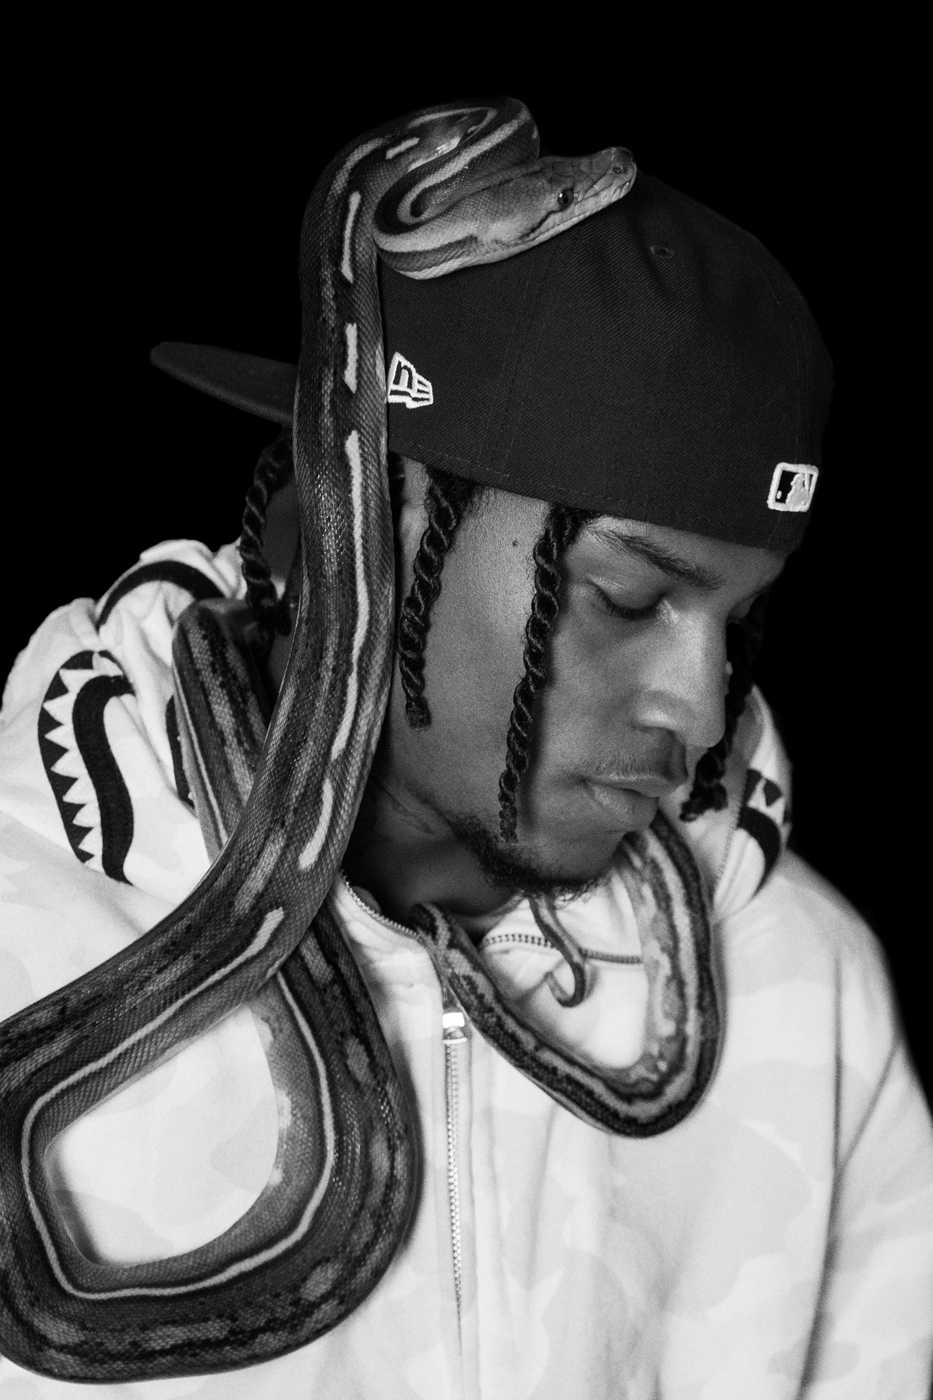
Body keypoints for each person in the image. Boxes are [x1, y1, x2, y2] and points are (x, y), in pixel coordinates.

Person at [1, 134, 931, 1400]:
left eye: (741, 619)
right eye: (627, 596)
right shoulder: (21, 928)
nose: (704, 704)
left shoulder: (808, 995)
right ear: (366, 526)